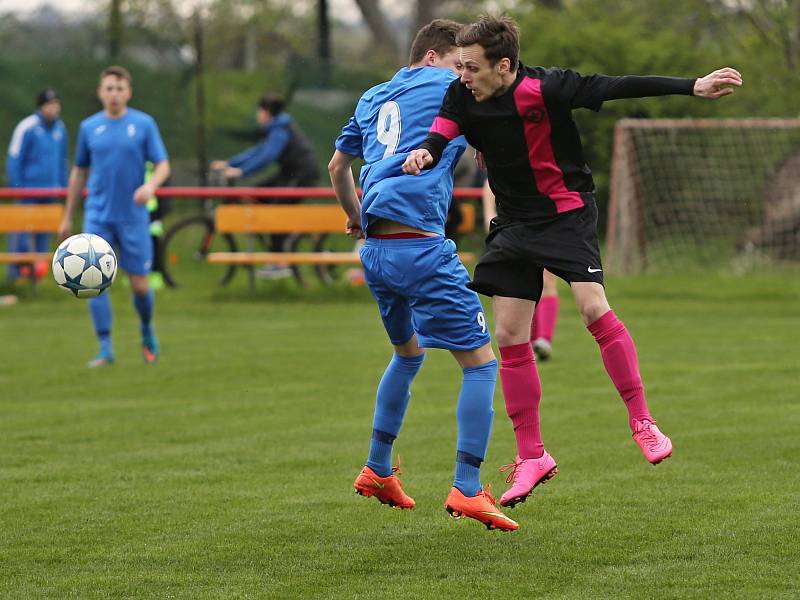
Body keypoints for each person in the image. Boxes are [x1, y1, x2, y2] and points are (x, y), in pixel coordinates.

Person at [403, 15, 742, 507]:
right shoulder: (461, 94)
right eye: (461, 67)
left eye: (472, 68)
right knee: (509, 335)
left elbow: (619, 85)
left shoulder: (548, 86)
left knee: (591, 307)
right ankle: (532, 456)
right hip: (515, 225)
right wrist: (424, 155)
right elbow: (439, 136)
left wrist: (693, 86)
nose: (463, 76)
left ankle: (643, 422)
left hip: (566, 213)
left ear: (503, 66)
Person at [329, 19, 518, 532]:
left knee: (407, 354)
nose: (465, 73)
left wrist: (354, 216)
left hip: (376, 251)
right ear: (436, 56)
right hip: (420, 248)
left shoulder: (373, 96)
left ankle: (377, 467)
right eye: (460, 63)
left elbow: (336, 166)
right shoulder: (451, 87)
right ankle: (468, 486)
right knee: (481, 365)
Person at [58, 66, 170, 367]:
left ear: (128, 92)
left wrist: (150, 185)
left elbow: (162, 164)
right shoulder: (89, 127)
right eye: (109, 88)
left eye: (119, 88)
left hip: (133, 218)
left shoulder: (144, 124)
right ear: (100, 92)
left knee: (141, 287)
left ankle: (146, 329)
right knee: (92, 282)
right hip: (98, 217)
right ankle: (105, 347)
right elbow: (79, 172)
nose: (114, 94)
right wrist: (67, 216)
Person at [211, 95, 320, 277]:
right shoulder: (276, 127)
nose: (257, 115)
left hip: (301, 175)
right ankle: (281, 237)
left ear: (266, 112)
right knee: (256, 195)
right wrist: (230, 163)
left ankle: (279, 262)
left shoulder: (280, 130)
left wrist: (241, 172)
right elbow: (258, 151)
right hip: (288, 173)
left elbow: (267, 156)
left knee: (276, 212)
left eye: (259, 111)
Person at [482, 180, 559, 361]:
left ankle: (544, 339)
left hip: (545, 225)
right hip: (512, 231)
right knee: (523, 284)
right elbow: (489, 190)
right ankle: (529, 341)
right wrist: (490, 218)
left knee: (548, 279)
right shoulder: (500, 166)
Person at [5, 88, 69, 282]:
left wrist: (63, 185)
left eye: (56, 103)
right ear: (41, 107)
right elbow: (14, 158)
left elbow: (62, 160)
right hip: (28, 192)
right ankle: (14, 278)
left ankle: (37, 280)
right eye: (50, 104)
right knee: (21, 236)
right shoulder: (27, 127)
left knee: (43, 236)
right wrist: (18, 189)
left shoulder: (61, 128)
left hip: (51, 191)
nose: (54, 107)